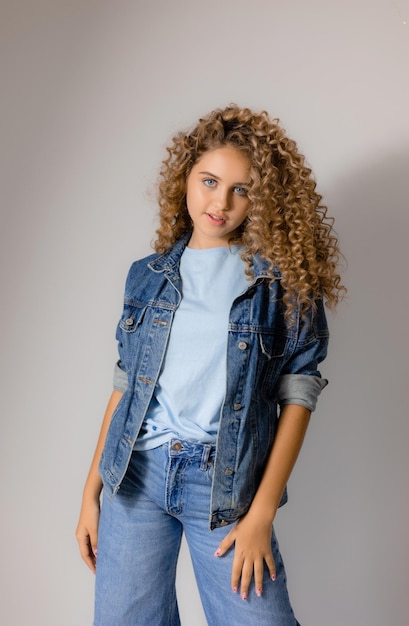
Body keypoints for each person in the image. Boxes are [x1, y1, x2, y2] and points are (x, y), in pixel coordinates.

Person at [76, 104, 345, 626]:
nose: (220, 202)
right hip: (135, 476)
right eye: (209, 181)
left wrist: (261, 512)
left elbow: (300, 394)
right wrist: (91, 493)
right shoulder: (147, 276)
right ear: (185, 178)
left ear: (261, 200)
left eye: (240, 190)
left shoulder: (280, 286)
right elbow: (125, 388)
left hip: (222, 483)